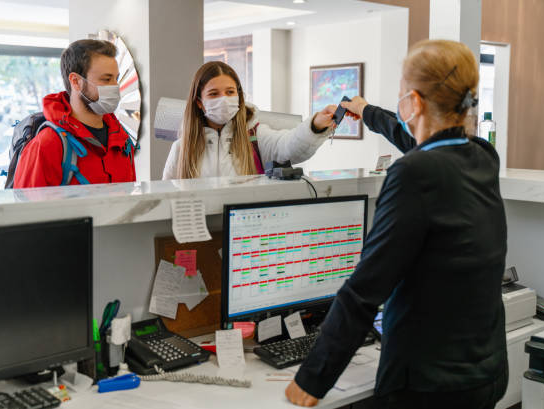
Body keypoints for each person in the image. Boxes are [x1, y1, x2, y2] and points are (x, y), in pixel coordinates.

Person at [285, 39, 508, 408]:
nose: (401, 100)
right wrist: (368, 111)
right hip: (484, 372)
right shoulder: (482, 155)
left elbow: (364, 290)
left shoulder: (412, 174)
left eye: (402, 93)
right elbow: (420, 143)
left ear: (415, 102)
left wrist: (313, 378)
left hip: (429, 386)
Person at [162, 61, 336, 180]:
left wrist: (315, 125)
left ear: (238, 96)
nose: (224, 99)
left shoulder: (255, 136)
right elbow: (166, 197)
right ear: (199, 102)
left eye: (230, 92)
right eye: (214, 94)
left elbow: (289, 147)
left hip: (246, 228)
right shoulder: (182, 148)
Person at [14, 39, 136, 188]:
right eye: (106, 79)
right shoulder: (47, 145)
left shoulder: (121, 141)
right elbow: (27, 209)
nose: (115, 87)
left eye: (116, 79)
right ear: (76, 81)